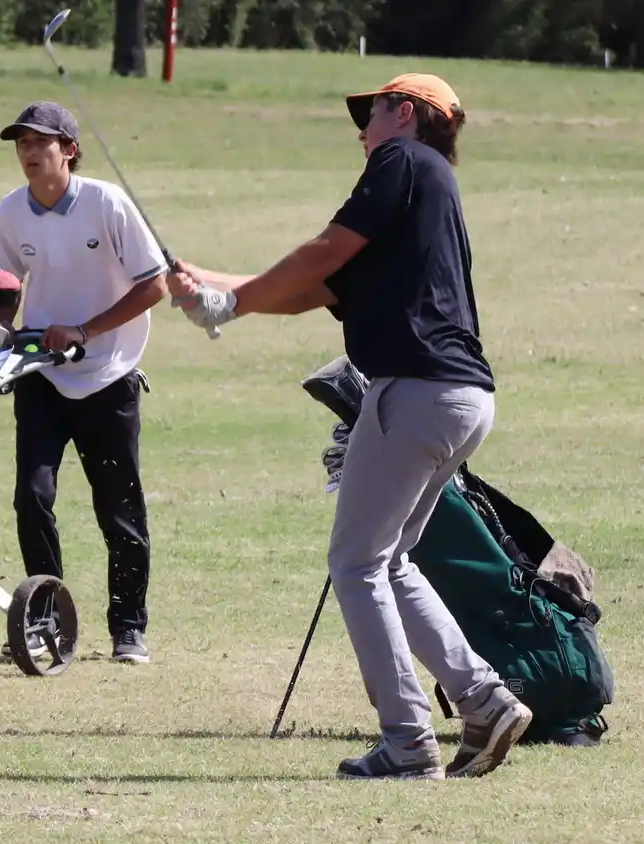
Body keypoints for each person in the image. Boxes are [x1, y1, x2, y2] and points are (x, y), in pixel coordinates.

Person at [170, 74, 534, 778]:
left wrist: (228, 305)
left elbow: (322, 251)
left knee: (356, 563)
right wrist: (209, 286)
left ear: (406, 113)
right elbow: (314, 289)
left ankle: (407, 742)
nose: (361, 132)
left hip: (415, 392)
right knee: (389, 560)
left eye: (368, 116)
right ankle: (486, 702)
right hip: (463, 400)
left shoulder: (400, 161)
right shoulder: (420, 201)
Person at [0, 101, 170, 664]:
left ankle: (129, 628)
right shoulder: (11, 212)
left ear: (69, 148)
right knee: (31, 499)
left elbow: (155, 285)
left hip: (109, 377)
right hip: (41, 373)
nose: (29, 153)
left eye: (40, 142)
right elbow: (2, 289)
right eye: (21, 144)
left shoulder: (106, 204)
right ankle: (46, 619)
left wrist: (85, 331)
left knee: (119, 509)